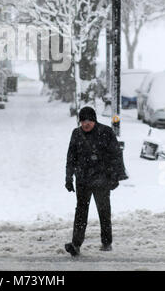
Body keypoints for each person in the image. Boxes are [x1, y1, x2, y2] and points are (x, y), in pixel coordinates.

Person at [65, 106, 127, 257]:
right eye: (83, 121)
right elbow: (71, 157)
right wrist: (68, 177)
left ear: (94, 120)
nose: (85, 124)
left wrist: (116, 177)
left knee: (104, 212)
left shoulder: (106, 132)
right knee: (80, 213)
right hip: (83, 181)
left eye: (89, 121)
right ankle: (76, 244)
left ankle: (106, 242)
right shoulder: (76, 134)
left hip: (101, 180)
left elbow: (116, 155)